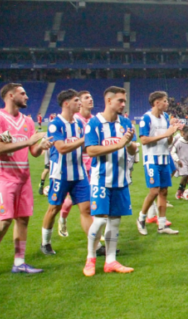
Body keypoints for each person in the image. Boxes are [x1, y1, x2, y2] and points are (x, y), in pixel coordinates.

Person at [0, 83, 52, 274]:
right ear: (11, 95)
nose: (27, 96)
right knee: (5, 220)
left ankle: (19, 262)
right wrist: (28, 141)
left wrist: (41, 145)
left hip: (23, 176)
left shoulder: (27, 122)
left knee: (22, 220)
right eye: (23, 93)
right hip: (3, 176)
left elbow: (34, 152)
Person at [82, 86, 139, 277]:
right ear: (108, 101)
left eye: (124, 101)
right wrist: (120, 143)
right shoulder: (94, 124)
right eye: (120, 101)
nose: (123, 104)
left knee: (115, 222)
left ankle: (110, 260)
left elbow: (132, 149)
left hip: (121, 180)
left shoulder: (125, 123)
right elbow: (90, 150)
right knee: (99, 220)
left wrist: (130, 144)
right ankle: (90, 258)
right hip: (101, 180)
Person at [39, 89, 92, 256]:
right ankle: (45, 242)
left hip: (79, 173)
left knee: (87, 209)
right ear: (66, 103)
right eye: (77, 100)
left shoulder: (78, 125)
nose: (80, 103)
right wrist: (85, 139)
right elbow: (61, 148)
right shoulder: (56, 124)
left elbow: (83, 147)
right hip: (60, 174)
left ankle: (95, 246)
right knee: (54, 208)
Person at [136, 91, 182, 236]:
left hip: (164, 158)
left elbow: (168, 141)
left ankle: (162, 225)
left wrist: (172, 134)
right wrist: (165, 134)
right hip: (151, 159)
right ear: (157, 103)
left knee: (164, 191)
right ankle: (141, 218)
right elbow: (143, 139)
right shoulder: (146, 118)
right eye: (165, 101)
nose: (167, 103)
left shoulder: (166, 117)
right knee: (154, 191)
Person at [58, 91, 95, 237]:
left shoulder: (93, 120)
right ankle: (62, 217)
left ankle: (94, 232)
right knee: (69, 200)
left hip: (91, 162)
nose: (90, 100)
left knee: (89, 199)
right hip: (73, 164)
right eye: (86, 98)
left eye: (91, 97)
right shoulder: (74, 119)